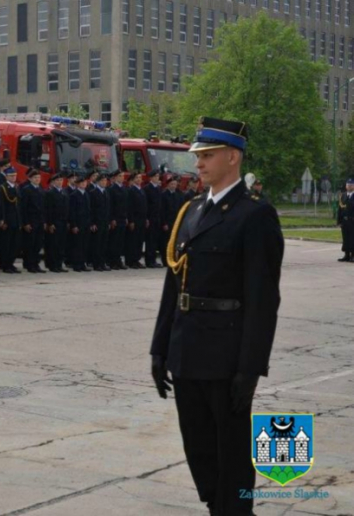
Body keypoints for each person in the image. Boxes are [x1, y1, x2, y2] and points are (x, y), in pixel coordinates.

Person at [150, 117, 284, 516]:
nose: (199, 164)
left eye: (206, 156)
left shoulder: (254, 215)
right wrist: (159, 350)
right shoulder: (191, 210)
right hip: (186, 347)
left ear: (233, 157)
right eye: (198, 156)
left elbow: (263, 299)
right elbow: (173, 287)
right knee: (198, 445)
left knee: (232, 451)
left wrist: (251, 367)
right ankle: (216, 506)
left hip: (226, 355)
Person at [20, 168, 46, 273]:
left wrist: (44, 221)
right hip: (31, 220)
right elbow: (24, 208)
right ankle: (29, 264)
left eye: (39, 177)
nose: (37, 179)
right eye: (35, 177)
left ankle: (36, 263)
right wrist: (25, 223)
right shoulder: (26, 189)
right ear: (30, 179)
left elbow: (44, 208)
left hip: (39, 221)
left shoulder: (41, 189)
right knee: (30, 244)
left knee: (38, 244)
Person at [44, 172, 69, 273]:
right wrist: (50, 223)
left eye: (61, 180)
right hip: (55, 222)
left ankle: (59, 264)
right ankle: (53, 265)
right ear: (54, 182)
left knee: (61, 244)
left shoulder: (64, 192)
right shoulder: (50, 193)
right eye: (58, 180)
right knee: (53, 244)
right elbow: (48, 209)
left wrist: (67, 221)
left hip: (63, 222)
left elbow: (67, 208)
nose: (60, 182)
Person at [0, 167, 22, 273]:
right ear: (6, 176)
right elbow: (1, 205)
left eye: (15, 175)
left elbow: (18, 205)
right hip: (7, 220)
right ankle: (4, 264)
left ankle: (10, 263)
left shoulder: (16, 187)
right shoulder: (2, 188)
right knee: (5, 244)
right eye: (11, 176)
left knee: (14, 244)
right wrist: (3, 220)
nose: (13, 177)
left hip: (16, 220)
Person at [68, 173, 93, 272]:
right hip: (78, 223)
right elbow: (72, 211)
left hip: (86, 223)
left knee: (84, 245)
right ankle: (76, 264)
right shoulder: (74, 195)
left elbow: (89, 210)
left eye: (85, 182)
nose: (84, 184)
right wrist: (74, 225)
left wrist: (90, 223)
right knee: (77, 245)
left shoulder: (86, 194)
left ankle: (83, 264)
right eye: (81, 183)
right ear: (77, 184)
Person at [160, 175, 184, 267]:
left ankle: (173, 259)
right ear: (168, 185)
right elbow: (162, 210)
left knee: (175, 242)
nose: (173, 186)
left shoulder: (178, 195)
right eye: (172, 184)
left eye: (175, 184)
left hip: (176, 221)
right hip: (167, 221)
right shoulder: (164, 195)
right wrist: (164, 223)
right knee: (166, 242)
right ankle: (165, 260)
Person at [107, 170, 129, 270]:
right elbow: (110, 205)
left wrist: (126, 217)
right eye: (120, 176)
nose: (122, 178)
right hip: (115, 218)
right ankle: (112, 261)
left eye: (122, 176)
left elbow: (126, 205)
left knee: (120, 241)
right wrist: (112, 218)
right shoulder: (112, 189)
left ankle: (118, 260)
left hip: (122, 218)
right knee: (114, 241)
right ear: (115, 178)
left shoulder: (124, 189)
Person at [89, 171, 111, 271]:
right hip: (97, 222)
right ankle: (96, 264)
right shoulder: (93, 193)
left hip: (105, 222)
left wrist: (109, 221)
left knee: (104, 243)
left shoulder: (106, 192)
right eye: (102, 180)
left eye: (105, 180)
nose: (104, 182)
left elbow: (108, 208)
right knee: (96, 244)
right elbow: (91, 209)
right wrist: (92, 223)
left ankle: (102, 263)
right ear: (98, 182)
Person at [143, 169, 164, 268]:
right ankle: (149, 260)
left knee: (155, 239)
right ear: (151, 178)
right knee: (150, 239)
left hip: (157, 217)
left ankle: (153, 259)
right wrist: (146, 217)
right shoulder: (147, 188)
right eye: (155, 176)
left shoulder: (158, 188)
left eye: (158, 176)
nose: (157, 178)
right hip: (150, 217)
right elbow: (146, 204)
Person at [337, 178, 354, 262]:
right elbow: (340, 209)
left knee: (352, 238)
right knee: (345, 238)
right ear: (346, 186)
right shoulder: (343, 195)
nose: (349, 186)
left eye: (351, 185)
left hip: (352, 220)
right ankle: (346, 255)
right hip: (344, 221)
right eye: (348, 185)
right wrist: (339, 221)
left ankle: (353, 255)